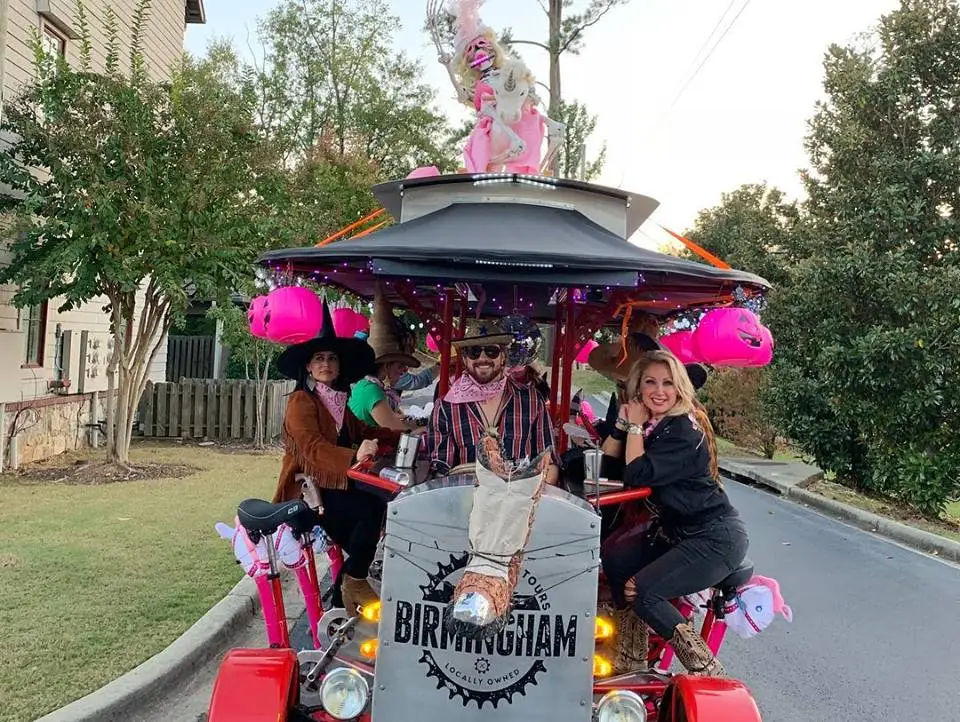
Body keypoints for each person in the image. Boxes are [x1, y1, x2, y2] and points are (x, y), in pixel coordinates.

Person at [600, 350, 749, 677]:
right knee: (617, 554)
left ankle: (709, 670)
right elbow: (609, 466)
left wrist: (635, 428)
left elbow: (637, 474)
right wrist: (625, 425)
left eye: (668, 383)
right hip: (678, 532)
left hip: (714, 537)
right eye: (650, 382)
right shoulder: (657, 425)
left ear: (680, 387)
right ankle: (631, 658)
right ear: (638, 387)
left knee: (644, 592)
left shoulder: (682, 430)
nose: (659, 390)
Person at [272, 301, 399, 614]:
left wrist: (408, 436)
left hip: (337, 483)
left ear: (340, 365)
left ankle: (346, 590)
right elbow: (312, 449)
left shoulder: (338, 399)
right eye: (319, 358)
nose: (326, 363)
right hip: (309, 490)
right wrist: (356, 453)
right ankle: (352, 582)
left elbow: (367, 430)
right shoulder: (302, 401)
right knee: (368, 511)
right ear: (308, 367)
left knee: (381, 503)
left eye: (331, 358)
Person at [426, 318, 558, 483]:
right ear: (465, 359)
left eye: (491, 351)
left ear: (503, 356)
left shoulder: (531, 400)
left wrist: (533, 495)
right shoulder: (445, 407)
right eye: (474, 351)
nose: (482, 358)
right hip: (467, 501)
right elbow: (441, 470)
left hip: (519, 501)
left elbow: (548, 460)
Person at [348, 290, 426, 432]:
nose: (405, 370)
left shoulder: (370, 386)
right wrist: (426, 428)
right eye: (401, 365)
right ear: (386, 365)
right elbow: (397, 430)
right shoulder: (372, 390)